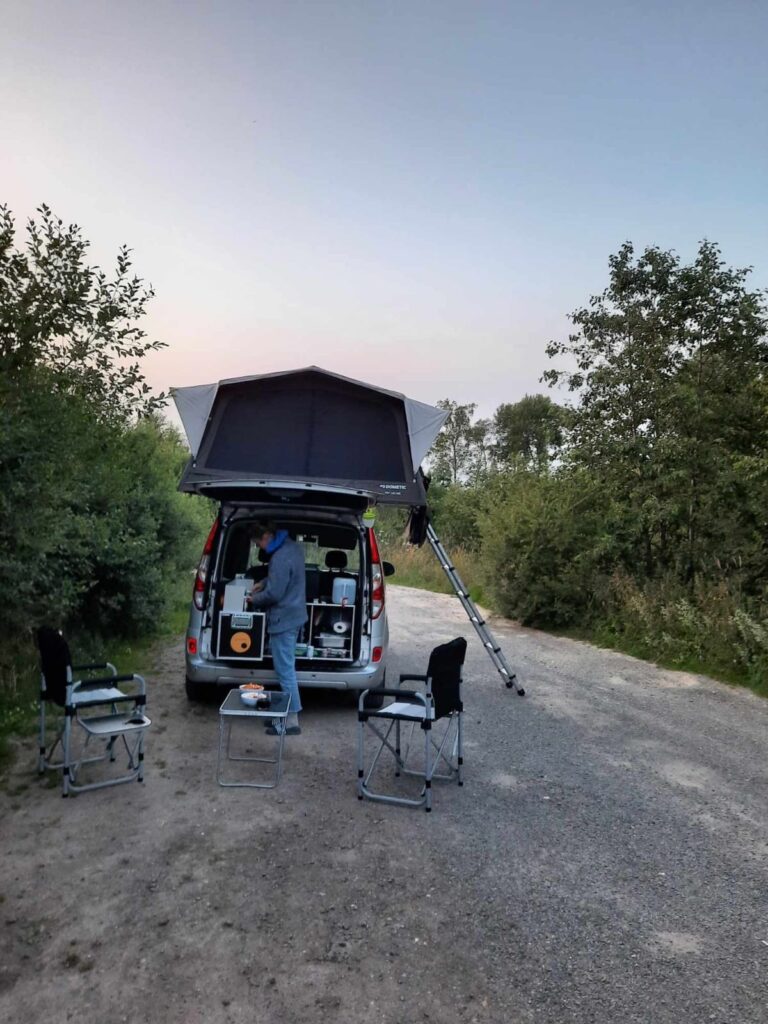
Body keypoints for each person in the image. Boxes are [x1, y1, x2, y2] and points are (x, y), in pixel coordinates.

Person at [248, 521, 307, 735]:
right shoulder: (291, 547)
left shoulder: (280, 556)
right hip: (295, 615)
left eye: (258, 543)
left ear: (266, 536)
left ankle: (291, 721)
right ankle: (285, 714)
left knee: (285, 671)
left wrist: (252, 598)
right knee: (286, 667)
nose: (259, 548)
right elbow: (282, 577)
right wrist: (263, 582)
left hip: (284, 619)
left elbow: (275, 594)